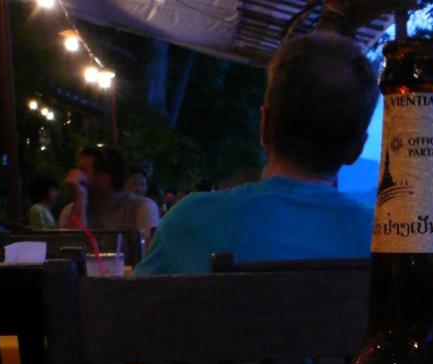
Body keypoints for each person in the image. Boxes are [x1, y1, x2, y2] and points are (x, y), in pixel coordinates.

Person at [135, 32, 377, 276]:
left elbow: (130, 299)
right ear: (357, 148)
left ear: (265, 126)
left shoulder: (190, 220)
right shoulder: (382, 241)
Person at [59, 145, 160, 241]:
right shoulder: (72, 210)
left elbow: (148, 251)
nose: (73, 175)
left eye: (82, 171)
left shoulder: (141, 208)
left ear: (105, 180)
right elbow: (68, 249)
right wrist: (80, 197)